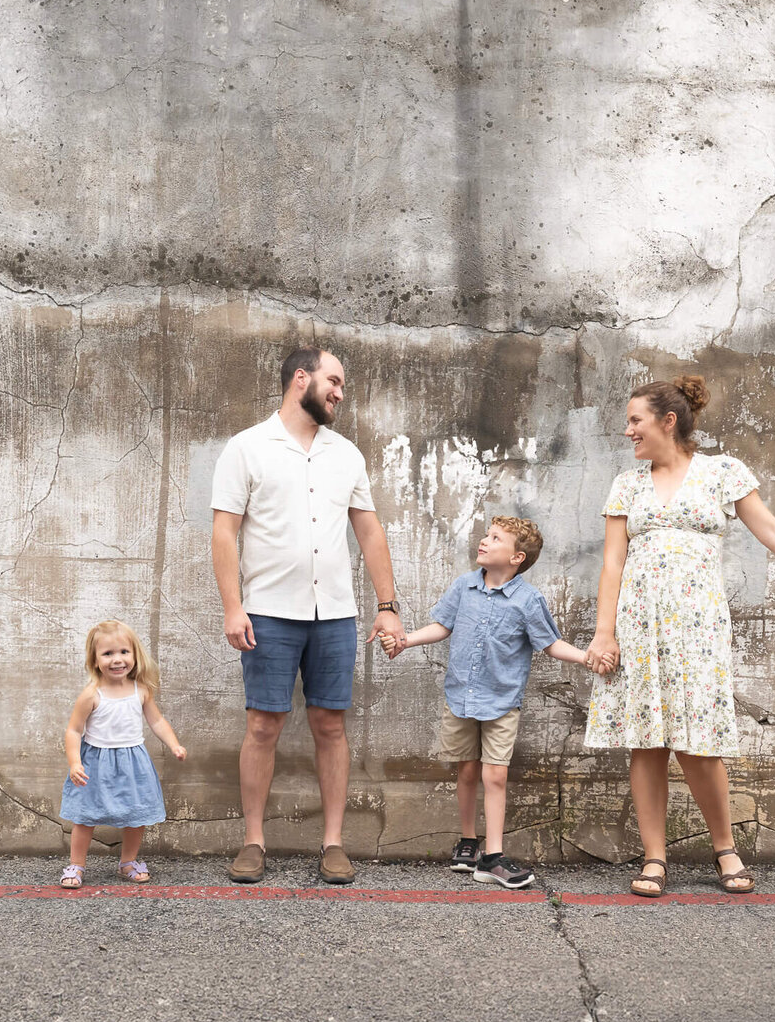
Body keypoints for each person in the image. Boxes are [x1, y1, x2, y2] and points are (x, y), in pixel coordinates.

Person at [583, 376, 775, 897]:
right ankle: (654, 858)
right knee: (646, 744)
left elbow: (773, 531)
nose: (628, 431)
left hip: (697, 628)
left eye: (635, 421)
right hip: (638, 627)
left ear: (668, 421)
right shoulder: (627, 485)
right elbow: (612, 561)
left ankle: (724, 847)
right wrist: (605, 634)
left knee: (700, 745)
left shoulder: (721, 472)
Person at [211, 346, 405, 885]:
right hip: (268, 612)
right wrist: (233, 607)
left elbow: (369, 530)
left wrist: (387, 607)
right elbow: (224, 531)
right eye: (334, 381)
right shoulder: (246, 447)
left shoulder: (346, 454)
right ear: (302, 379)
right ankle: (253, 841)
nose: (341, 392)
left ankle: (333, 843)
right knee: (262, 725)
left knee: (329, 725)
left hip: (335, 614)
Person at [382, 516, 597, 889]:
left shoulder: (529, 600)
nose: (484, 541)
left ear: (516, 557)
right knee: (467, 770)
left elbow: (549, 643)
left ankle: (493, 857)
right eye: (486, 535)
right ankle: (468, 841)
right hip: (460, 696)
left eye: (495, 538)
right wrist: (405, 641)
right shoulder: (464, 586)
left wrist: (585, 657)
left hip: (501, 701)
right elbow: (443, 626)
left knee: (494, 773)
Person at [59, 620, 185, 888]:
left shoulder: (141, 690)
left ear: (135, 654)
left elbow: (157, 722)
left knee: (135, 815)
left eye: (123, 652)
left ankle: (128, 862)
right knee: (86, 816)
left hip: (133, 762)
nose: (117, 660)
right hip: (96, 762)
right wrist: (74, 762)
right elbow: (73, 730)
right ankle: (76, 865)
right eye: (107, 654)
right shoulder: (91, 695)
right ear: (95, 660)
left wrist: (173, 744)